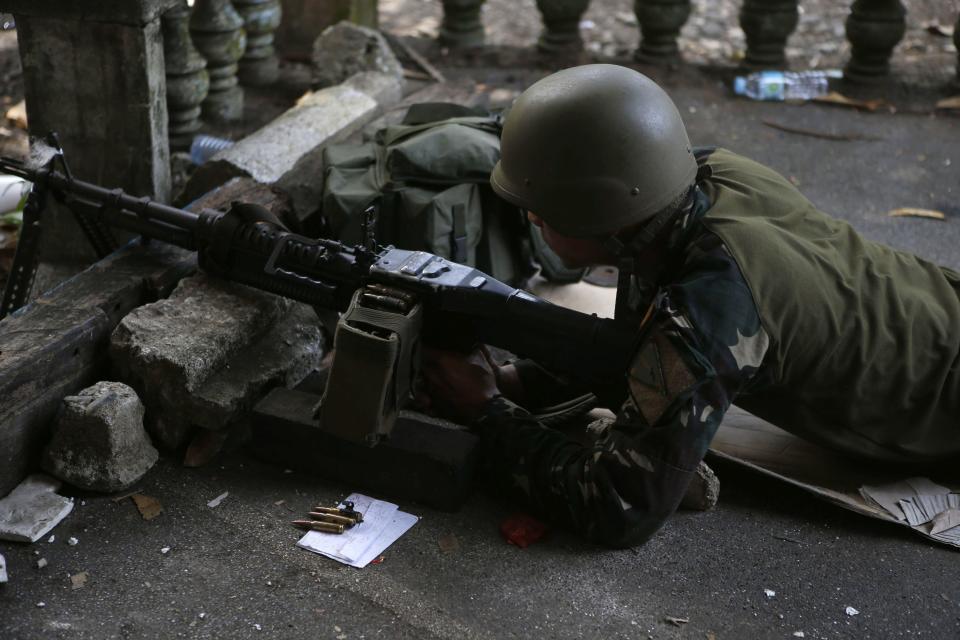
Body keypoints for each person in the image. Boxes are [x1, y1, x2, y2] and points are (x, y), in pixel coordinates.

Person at [420, 64, 960, 548]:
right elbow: (631, 350)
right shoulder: (705, 175)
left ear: (593, 212)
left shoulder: (710, 307)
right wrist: (524, 382)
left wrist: (487, 413)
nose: (533, 220)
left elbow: (616, 506)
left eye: (538, 210)